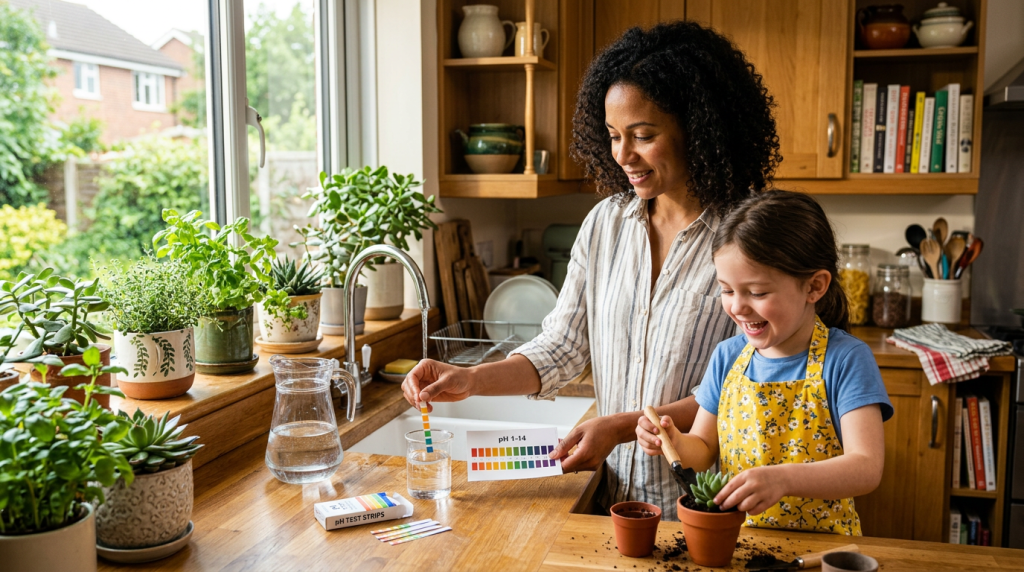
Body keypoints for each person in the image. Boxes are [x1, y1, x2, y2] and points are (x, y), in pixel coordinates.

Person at [403, 21, 781, 518]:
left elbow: (752, 381)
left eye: (643, 136)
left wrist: (622, 426)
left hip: (713, 507)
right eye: (613, 136)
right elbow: (562, 346)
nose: (623, 155)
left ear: (699, 127)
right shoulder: (606, 224)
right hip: (617, 499)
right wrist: (471, 378)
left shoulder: (748, 236)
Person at [637, 191, 893, 535]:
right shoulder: (728, 357)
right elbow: (704, 448)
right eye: (727, 290)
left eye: (756, 292)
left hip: (824, 549)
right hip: (739, 544)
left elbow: (865, 468)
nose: (738, 307)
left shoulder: (846, 359)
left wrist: (783, 479)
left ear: (814, 286)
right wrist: (673, 440)